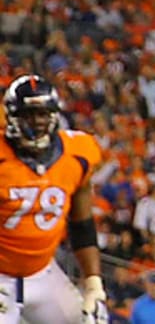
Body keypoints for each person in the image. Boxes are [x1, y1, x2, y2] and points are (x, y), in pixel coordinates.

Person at [0, 75, 108, 324]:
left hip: (43, 271)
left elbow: (82, 224)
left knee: (90, 320)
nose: (36, 123)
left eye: (43, 114)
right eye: (28, 115)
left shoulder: (78, 154)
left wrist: (93, 283)